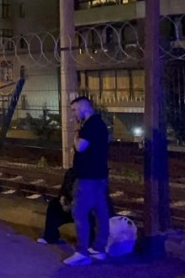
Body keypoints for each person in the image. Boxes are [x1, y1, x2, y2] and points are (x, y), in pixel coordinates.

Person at [63, 96, 111, 266]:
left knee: (79, 212)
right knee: (101, 213)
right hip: (100, 176)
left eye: (75, 110)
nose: (74, 114)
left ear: (84, 107)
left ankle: (82, 252)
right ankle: (99, 249)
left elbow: (81, 147)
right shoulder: (102, 124)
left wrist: (76, 133)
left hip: (87, 178)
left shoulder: (90, 125)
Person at [37, 167, 115, 245]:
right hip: (72, 206)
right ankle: (50, 237)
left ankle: (90, 242)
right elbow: (64, 191)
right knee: (54, 204)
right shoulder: (72, 172)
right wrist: (63, 201)